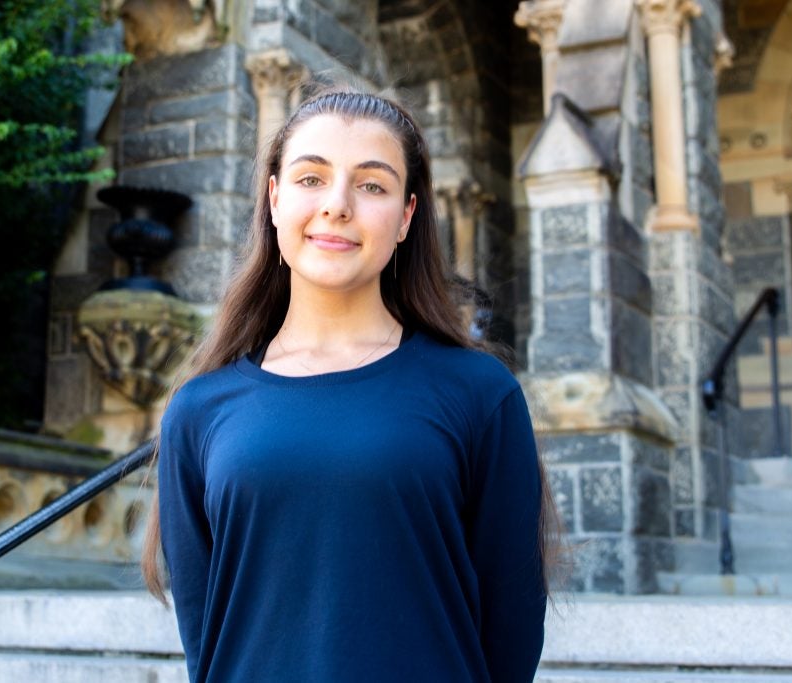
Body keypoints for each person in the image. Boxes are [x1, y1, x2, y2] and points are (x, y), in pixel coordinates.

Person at [142, 89, 561, 683]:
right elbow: (205, 637)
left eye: (371, 185)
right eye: (311, 178)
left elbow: (510, 629)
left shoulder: (477, 394)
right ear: (274, 197)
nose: (337, 205)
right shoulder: (199, 410)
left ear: (407, 217)